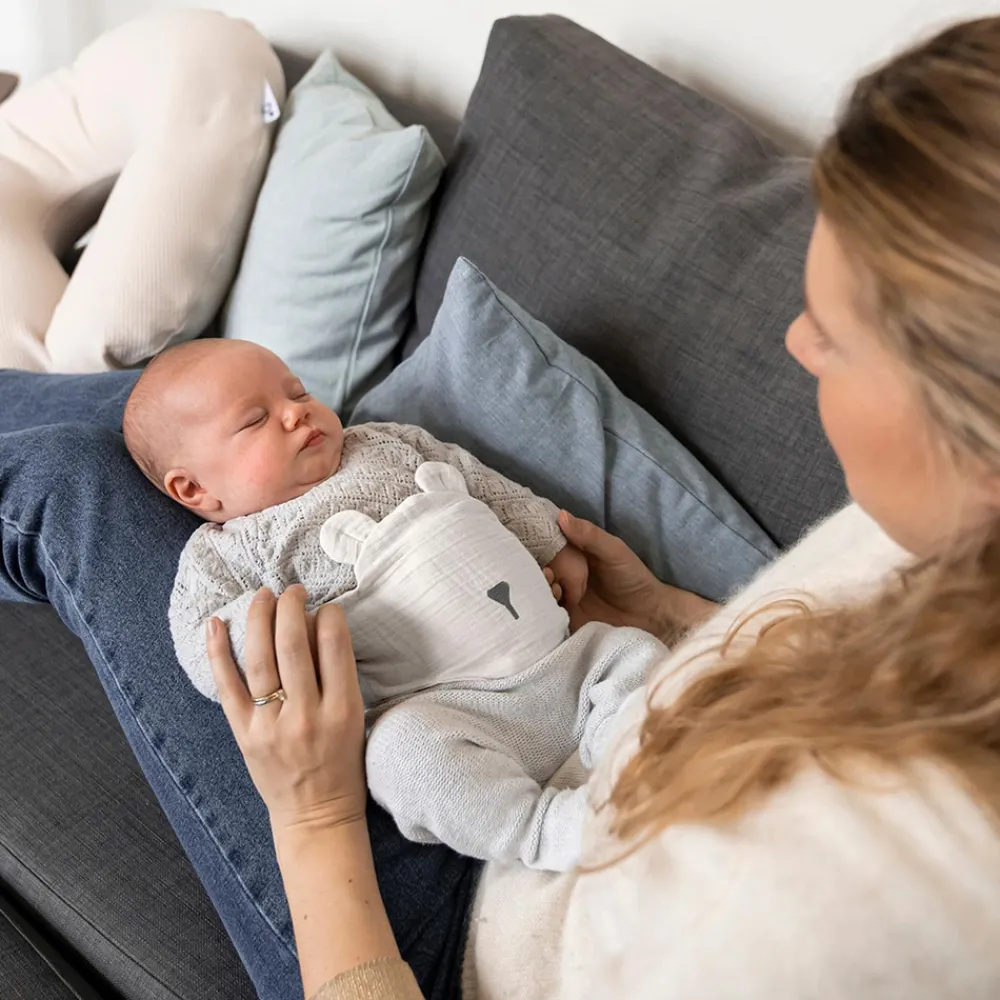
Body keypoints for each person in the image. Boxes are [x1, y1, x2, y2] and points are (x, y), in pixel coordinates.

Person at [2, 13, 999, 1000]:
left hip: (456, 922)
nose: (794, 343)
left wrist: (311, 811)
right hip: (571, 674)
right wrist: (657, 609)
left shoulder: (889, 885)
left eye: (835, 333)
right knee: (127, 433)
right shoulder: (937, 538)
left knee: (69, 481)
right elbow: (836, 661)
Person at [120, 337, 583, 700]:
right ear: (194, 488)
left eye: (298, 392)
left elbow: (477, 480)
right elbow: (205, 640)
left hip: (556, 642)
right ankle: (528, 822)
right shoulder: (226, 550)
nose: (295, 412)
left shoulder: (380, 441)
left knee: (630, 660)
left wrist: (550, 540)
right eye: (256, 420)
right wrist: (279, 637)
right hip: (431, 699)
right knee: (405, 755)